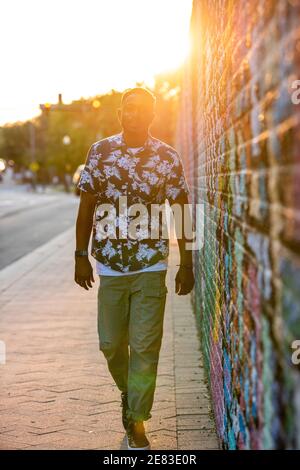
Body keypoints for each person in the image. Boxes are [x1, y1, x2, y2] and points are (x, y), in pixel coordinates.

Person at [74, 87, 195, 450]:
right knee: (111, 344)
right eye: (129, 108)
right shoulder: (101, 152)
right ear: (120, 113)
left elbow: (182, 209)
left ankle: (137, 422)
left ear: (152, 115)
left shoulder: (167, 157)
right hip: (110, 265)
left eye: (143, 109)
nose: (136, 114)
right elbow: (87, 206)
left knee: (145, 345)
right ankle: (130, 394)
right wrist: (80, 254)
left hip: (151, 264)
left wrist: (185, 262)